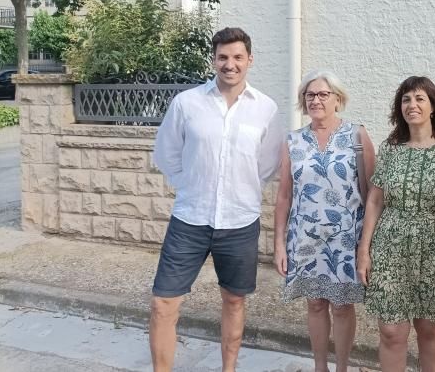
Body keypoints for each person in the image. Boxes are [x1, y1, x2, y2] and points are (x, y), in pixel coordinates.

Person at [149, 27, 284, 372]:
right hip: (189, 220)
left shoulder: (266, 109)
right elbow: (167, 153)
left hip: (239, 223)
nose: (230, 64)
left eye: (238, 57)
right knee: (163, 303)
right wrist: (189, 185)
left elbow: (267, 164)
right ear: (213, 60)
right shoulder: (187, 103)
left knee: (234, 301)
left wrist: (241, 190)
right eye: (223, 57)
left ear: (250, 60)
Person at [357, 76, 435, 372]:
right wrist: (364, 250)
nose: (412, 105)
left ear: (433, 106)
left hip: (434, 248)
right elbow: (375, 201)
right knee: (391, 331)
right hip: (389, 248)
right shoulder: (390, 149)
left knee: (429, 328)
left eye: (420, 98)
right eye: (406, 99)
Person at [273, 69, 375, 372]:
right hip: (305, 239)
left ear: (337, 100)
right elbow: (284, 196)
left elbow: (373, 194)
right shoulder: (293, 141)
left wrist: (367, 245)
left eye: (322, 94)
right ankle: (320, 367)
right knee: (315, 303)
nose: (315, 100)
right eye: (310, 95)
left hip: (346, 238)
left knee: (342, 306)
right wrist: (279, 244)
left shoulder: (356, 135)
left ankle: (341, 367)